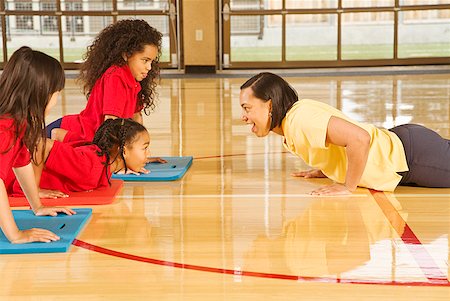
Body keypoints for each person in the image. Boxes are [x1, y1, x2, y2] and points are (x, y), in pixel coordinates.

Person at [239, 72, 450, 195]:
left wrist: (347, 187)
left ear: (269, 105)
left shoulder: (299, 120)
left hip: (412, 156)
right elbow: (335, 142)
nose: (243, 116)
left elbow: (360, 138)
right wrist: (328, 168)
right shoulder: (293, 119)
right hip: (405, 147)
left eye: (247, 108)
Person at [0, 46, 75, 244]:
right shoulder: (4, 128)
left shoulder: (19, 122)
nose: (56, 99)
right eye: (56, 93)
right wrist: (15, 234)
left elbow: (21, 161)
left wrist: (37, 205)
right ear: (40, 93)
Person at [48, 19, 162, 143]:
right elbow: (110, 124)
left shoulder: (134, 81)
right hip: (71, 132)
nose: (149, 67)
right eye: (145, 60)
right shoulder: (116, 76)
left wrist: (142, 152)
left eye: (151, 62)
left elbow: (136, 118)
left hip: (89, 138)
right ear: (126, 55)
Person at [7, 118, 151, 196]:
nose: (148, 154)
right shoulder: (89, 166)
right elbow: (39, 145)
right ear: (123, 151)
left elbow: (57, 133)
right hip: (7, 178)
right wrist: (34, 190)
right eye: (144, 148)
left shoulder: (99, 162)